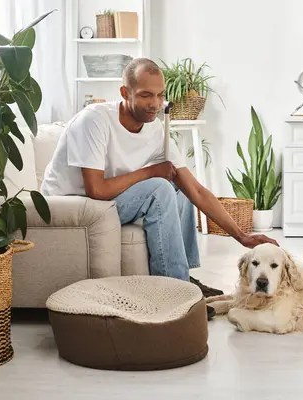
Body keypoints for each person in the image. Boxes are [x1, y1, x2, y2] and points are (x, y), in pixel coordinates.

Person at [41, 58, 278, 317]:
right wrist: (151, 171)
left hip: (106, 203)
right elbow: (96, 190)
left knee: (180, 188)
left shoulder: (155, 130)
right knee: (159, 187)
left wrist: (241, 236)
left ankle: (185, 278)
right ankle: (176, 293)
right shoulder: (94, 120)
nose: (154, 104)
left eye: (159, 95)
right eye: (145, 95)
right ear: (125, 92)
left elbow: (196, 190)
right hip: (70, 206)